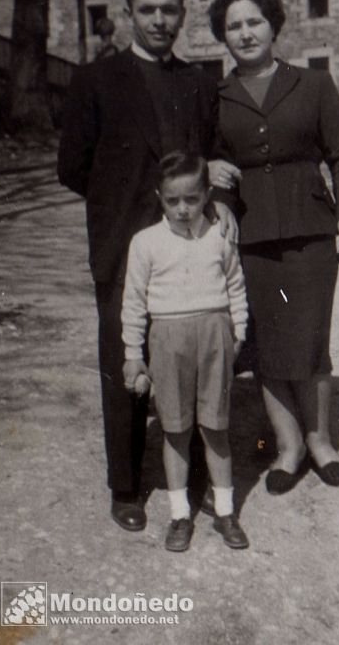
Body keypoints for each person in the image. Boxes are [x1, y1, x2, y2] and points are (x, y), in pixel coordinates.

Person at [57, 0, 235, 532]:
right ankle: (127, 486)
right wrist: (124, 205)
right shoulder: (94, 80)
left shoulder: (200, 83)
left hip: (190, 248)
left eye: (169, 10)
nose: (159, 20)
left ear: (183, 13)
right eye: (148, 10)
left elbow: (214, 158)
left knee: (196, 359)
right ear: (130, 13)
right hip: (123, 248)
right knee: (125, 363)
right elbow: (72, 167)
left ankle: (203, 473)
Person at [208, 0, 339, 493]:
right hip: (250, 236)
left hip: (311, 230)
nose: (246, 33)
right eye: (234, 26)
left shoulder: (314, 84)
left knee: (312, 336)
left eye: (254, 22)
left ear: (274, 26)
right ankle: (288, 445)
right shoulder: (217, 97)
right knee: (268, 341)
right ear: (223, 38)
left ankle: (321, 441)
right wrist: (218, 192)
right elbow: (215, 166)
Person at [121, 150, 249, 552]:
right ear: (160, 197)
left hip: (214, 335)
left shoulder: (219, 237)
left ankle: (225, 512)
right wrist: (132, 352)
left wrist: (238, 332)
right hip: (168, 340)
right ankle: (179, 516)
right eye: (173, 200)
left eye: (191, 199)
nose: (182, 209)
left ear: (206, 195)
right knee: (175, 431)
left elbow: (236, 287)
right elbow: (134, 302)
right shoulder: (145, 244)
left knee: (216, 427)